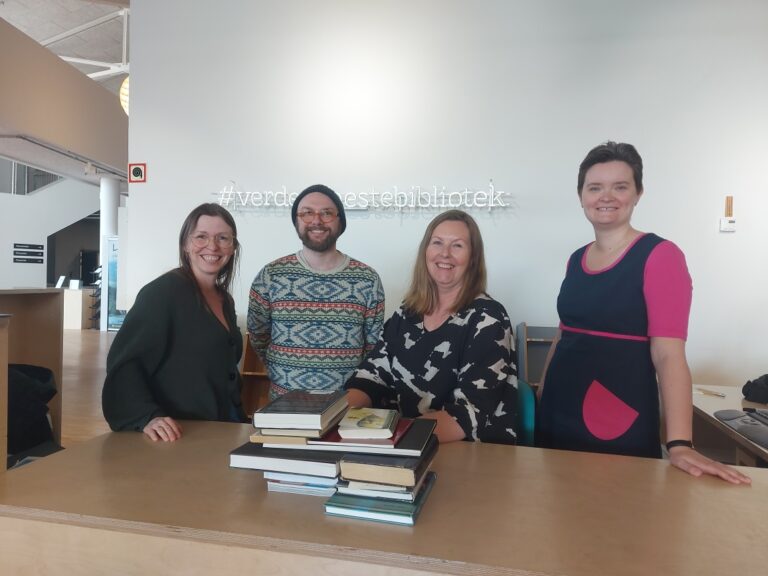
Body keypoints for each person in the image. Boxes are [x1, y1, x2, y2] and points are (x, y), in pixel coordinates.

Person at [537, 141, 750, 484]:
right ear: (581, 196)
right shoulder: (576, 258)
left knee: (618, 518)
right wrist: (542, 392)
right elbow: (565, 332)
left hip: (615, 412)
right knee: (559, 514)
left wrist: (679, 444)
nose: (607, 196)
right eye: (595, 187)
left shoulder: (661, 256)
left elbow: (668, 355)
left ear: (638, 193)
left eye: (620, 186)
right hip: (558, 408)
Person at [345, 210, 517, 444]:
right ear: (425, 251)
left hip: (468, 454)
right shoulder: (408, 312)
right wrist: (333, 417)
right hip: (407, 445)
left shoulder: (488, 318)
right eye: (437, 243)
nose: (444, 254)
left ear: (473, 257)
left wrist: (392, 439)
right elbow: (372, 375)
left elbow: (469, 414)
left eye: (457, 245)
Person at [103, 203, 245, 442]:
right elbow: (125, 363)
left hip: (221, 426)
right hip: (181, 434)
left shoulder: (225, 300)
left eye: (223, 238)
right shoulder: (162, 294)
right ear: (186, 244)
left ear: (233, 247)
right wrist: (146, 416)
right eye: (201, 237)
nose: (213, 246)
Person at [248, 184, 385, 398]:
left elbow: (373, 346)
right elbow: (258, 336)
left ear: (341, 222)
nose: (317, 220)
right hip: (283, 409)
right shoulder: (270, 275)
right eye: (307, 213)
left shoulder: (367, 279)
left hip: (346, 409)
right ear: (296, 221)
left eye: (327, 213)